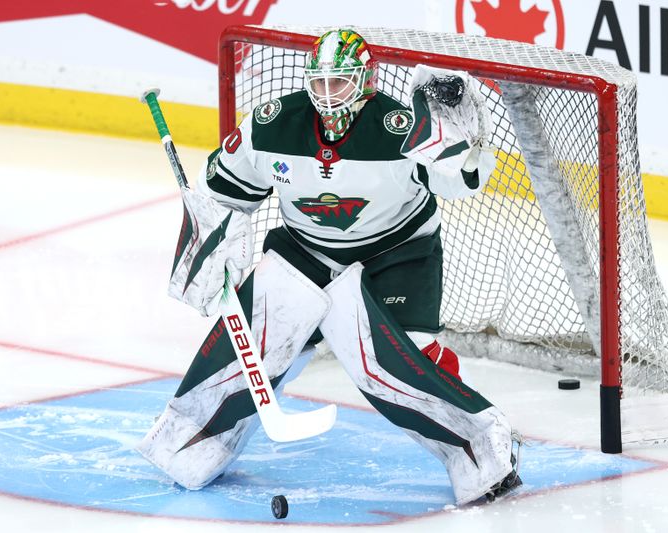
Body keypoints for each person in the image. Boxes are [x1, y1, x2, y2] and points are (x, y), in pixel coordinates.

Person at [137, 28, 520, 506]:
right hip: (305, 249)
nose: (325, 95)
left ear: (365, 82)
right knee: (260, 344)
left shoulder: (398, 130)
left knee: (400, 361)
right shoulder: (272, 124)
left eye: (338, 83)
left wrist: (466, 144)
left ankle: (480, 443)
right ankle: (195, 437)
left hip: (396, 255)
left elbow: (464, 182)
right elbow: (223, 192)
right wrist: (209, 240)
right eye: (317, 83)